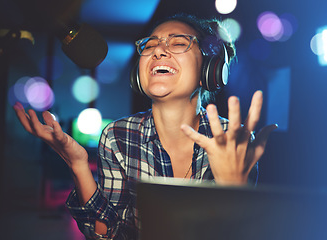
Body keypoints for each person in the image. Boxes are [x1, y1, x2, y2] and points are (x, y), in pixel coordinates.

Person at [14, 13, 277, 240]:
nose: (158, 51)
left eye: (178, 43)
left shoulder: (234, 140)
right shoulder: (117, 136)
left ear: (210, 70)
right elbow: (109, 235)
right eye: (150, 45)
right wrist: (78, 165)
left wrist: (233, 189)